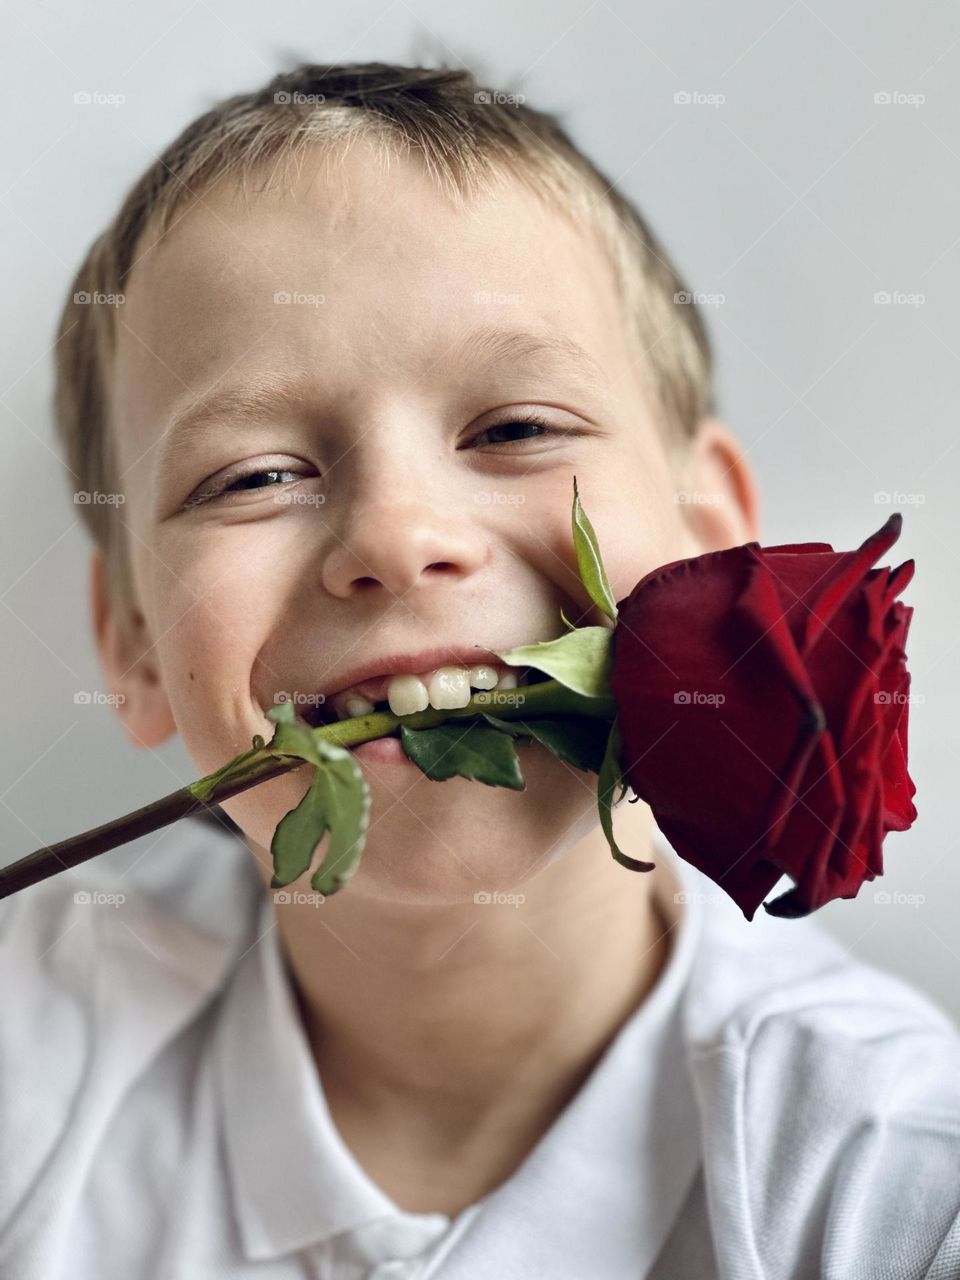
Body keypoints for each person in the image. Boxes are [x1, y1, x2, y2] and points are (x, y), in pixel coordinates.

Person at [2, 60, 957, 1278]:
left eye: (516, 428)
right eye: (255, 476)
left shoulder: (887, 1176)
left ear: (713, 541)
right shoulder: (31, 1048)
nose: (399, 537)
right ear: (135, 644)